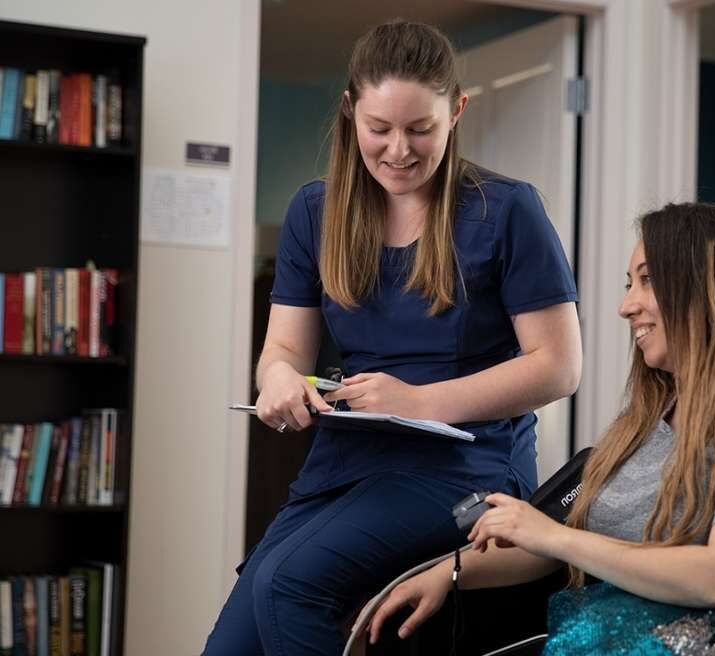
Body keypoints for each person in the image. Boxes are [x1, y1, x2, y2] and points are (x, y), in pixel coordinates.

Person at [202, 20, 581, 656]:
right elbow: (285, 351)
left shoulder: (508, 210)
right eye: (380, 128)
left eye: (420, 129)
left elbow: (557, 368)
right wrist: (277, 381)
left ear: (457, 112)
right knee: (235, 643)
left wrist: (420, 401)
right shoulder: (313, 213)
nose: (398, 150)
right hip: (348, 465)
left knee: (291, 584)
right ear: (350, 111)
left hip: (469, 468)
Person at [364, 202, 715, 654]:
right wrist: (451, 573)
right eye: (629, 284)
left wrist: (553, 537)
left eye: (648, 281)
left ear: (708, 290)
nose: (627, 307)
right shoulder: (649, 417)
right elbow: (557, 547)